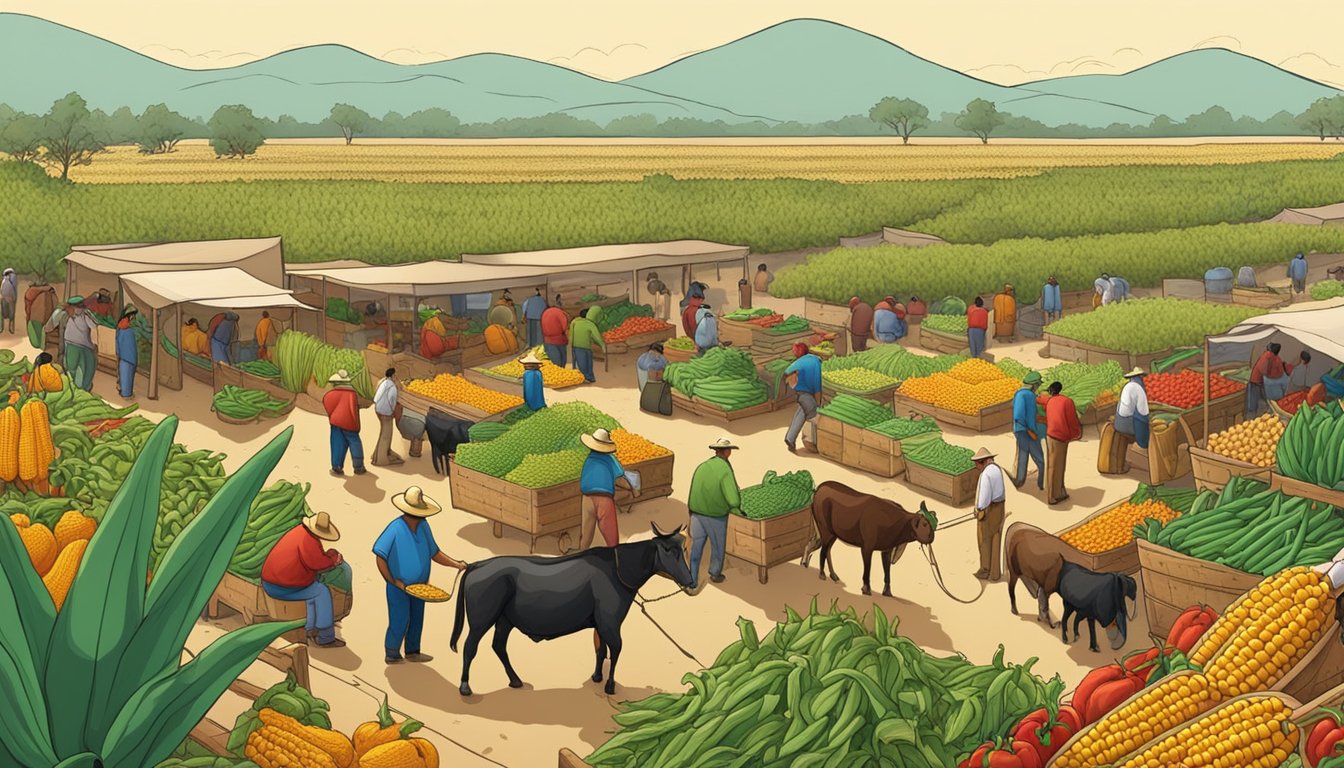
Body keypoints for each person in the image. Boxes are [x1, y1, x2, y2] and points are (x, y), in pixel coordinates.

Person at [373, 486, 467, 664]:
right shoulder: (395, 528)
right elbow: (380, 557)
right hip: (399, 587)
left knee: (417, 618)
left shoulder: (423, 526)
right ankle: (392, 652)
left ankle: (412, 651)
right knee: (400, 619)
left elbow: (435, 552)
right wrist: (393, 581)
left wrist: (456, 564)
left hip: (420, 587)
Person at [261, 512, 351, 648]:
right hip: (281, 587)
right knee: (322, 592)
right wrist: (333, 559)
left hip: (271, 582)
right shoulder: (308, 540)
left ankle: (310, 627)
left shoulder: (298, 532)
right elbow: (317, 563)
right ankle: (325, 637)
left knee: (313, 590)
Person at [687, 437, 742, 590]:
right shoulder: (724, 469)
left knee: (696, 547)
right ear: (726, 452)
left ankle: (692, 578)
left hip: (697, 513)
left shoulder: (703, 466)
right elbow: (732, 498)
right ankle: (715, 573)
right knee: (717, 546)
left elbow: (694, 489)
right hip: (715, 515)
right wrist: (737, 507)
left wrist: (692, 510)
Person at [577, 428, 640, 550]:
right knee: (612, 538)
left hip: (587, 499)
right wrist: (632, 487)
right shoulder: (610, 460)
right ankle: (614, 559)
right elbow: (619, 479)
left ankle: (580, 557)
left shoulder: (589, 459)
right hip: (603, 499)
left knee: (586, 536)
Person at [1043, 381, 1082, 505]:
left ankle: (1059, 491)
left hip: (1050, 435)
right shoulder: (1067, 401)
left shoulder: (1050, 401)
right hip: (1060, 437)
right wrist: (1076, 434)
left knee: (1052, 465)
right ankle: (1054, 496)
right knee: (1058, 466)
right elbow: (1072, 420)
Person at [972, 447, 1006, 582]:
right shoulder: (997, 469)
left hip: (989, 510)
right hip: (999, 507)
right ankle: (995, 572)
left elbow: (984, 498)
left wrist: (978, 509)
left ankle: (985, 569)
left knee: (984, 540)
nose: (977, 467)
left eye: (977, 464)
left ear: (982, 462)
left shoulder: (986, 474)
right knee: (995, 538)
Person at [323, 370, 365, 477]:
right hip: (350, 422)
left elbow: (328, 407)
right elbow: (354, 410)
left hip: (336, 422)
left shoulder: (329, 394)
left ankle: (336, 467)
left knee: (337, 443)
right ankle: (358, 467)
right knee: (355, 442)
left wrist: (333, 416)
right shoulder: (352, 394)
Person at [784, 341, 822, 453]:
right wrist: (818, 401)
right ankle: (811, 442)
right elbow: (817, 385)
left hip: (799, 391)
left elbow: (787, 372)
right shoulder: (817, 363)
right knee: (813, 414)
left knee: (801, 412)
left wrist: (795, 384)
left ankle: (790, 438)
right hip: (806, 393)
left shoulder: (801, 361)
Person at [1011, 372, 1045, 491]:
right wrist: (1030, 430)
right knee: (1040, 458)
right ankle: (1042, 482)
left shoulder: (1020, 393)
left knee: (1023, 454)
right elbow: (1020, 415)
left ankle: (1019, 480)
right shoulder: (1027, 395)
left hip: (1021, 430)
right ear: (1034, 385)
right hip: (1026, 431)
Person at [58, 296, 98, 391]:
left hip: (84, 345)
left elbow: (94, 327)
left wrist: (94, 343)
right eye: (76, 307)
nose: (78, 310)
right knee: (73, 367)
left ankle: (82, 388)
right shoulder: (67, 315)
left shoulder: (85, 315)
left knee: (86, 367)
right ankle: (74, 388)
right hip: (73, 345)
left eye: (80, 307)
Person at [1114, 367, 1151, 463]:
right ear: (1140, 377)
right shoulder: (1138, 388)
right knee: (1142, 420)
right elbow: (1143, 412)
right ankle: (1143, 445)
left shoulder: (1128, 386)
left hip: (1119, 422)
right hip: (1127, 425)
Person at [372, 367, 403, 467]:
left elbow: (376, 398)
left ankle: (381, 453)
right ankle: (381, 459)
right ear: (393, 376)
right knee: (386, 435)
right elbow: (392, 401)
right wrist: (392, 411)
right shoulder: (393, 387)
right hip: (386, 412)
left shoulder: (382, 382)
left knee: (384, 433)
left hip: (378, 410)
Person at [1248, 342, 1288, 417]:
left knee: (1260, 400)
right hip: (1257, 380)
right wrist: (1269, 374)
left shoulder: (1270, 356)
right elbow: (1263, 369)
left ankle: (1258, 412)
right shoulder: (1269, 356)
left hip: (1258, 380)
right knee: (1260, 399)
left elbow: (1266, 370)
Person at [569, 307, 605, 384]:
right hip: (586, 346)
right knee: (587, 362)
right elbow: (597, 336)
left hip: (576, 346)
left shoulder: (575, 322)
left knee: (579, 362)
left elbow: (571, 334)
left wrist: (571, 345)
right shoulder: (590, 324)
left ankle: (579, 377)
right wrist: (602, 345)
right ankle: (588, 377)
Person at [114, 306, 138, 398]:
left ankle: (125, 392)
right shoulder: (125, 329)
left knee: (126, 375)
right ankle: (126, 393)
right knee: (126, 375)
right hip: (127, 357)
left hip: (127, 357)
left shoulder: (125, 329)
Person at [541, 300, 570, 368]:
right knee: (561, 360)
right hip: (559, 339)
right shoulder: (560, 313)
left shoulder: (545, 312)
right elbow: (565, 326)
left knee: (553, 360)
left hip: (547, 340)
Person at [0, 268, 16, 334]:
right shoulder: (4, 283)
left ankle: (11, 328)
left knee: (11, 314)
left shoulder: (12, 282)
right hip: (5, 300)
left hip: (9, 300)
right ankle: (1, 327)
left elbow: (13, 292)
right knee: (3, 314)